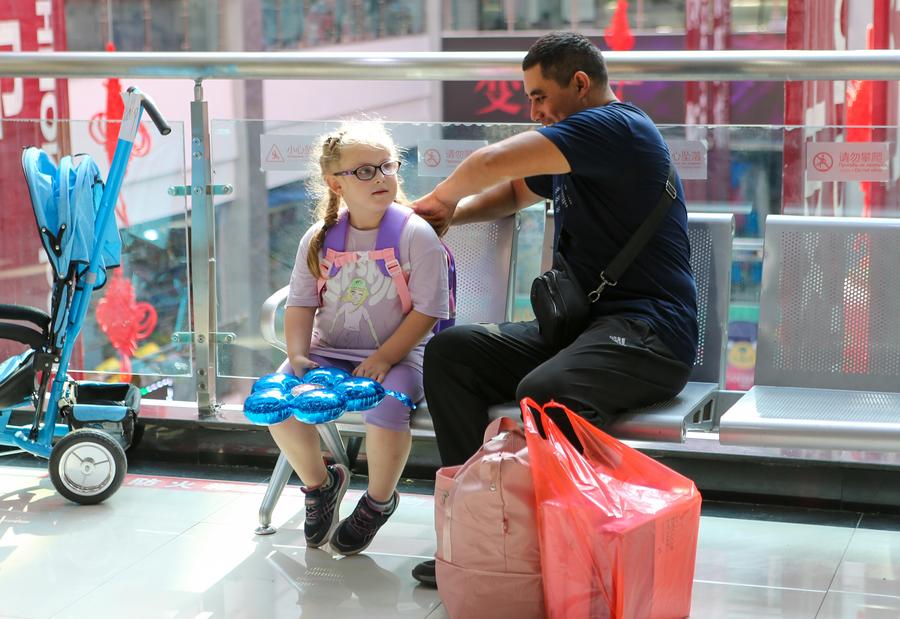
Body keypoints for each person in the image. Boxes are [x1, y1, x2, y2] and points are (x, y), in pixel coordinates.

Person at [410, 31, 698, 586]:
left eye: (540, 96)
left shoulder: (619, 128)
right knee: (451, 354)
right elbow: (518, 189)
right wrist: (454, 217)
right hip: (583, 328)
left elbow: (494, 159)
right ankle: (481, 529)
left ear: (581, 83)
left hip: (651, 334)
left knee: (546, 391)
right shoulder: (578, 147)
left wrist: (441, 196)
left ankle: (567, 544)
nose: (534, 109)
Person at [270, 121, 450, 556]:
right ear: (336, 184)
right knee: (280, 403)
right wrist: (297, 355)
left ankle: (378, 501)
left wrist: (387, 358)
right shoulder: (319, 238)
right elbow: (300, 303)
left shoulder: (414, 235)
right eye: (364, 171)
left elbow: (428, 311)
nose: (381, 177)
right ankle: (320, 485)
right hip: (328, 352)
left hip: (403, 356)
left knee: (389, 408)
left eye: (387, 166)